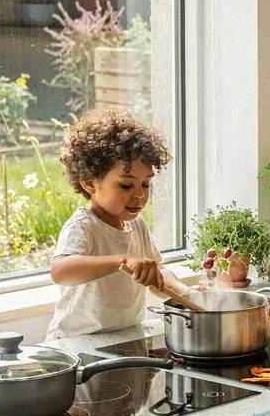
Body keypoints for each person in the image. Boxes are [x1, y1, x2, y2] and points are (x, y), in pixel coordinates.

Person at [46, 108, 190, 342]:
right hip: (77, 343)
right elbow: (61, 271)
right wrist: (122, 260)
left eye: (146, 184)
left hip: (124, 339)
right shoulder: (84, 226)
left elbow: (157, 274)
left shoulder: (137, 225)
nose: (140, 195)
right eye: (126, 185)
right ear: (89, 183)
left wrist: (185, 292)